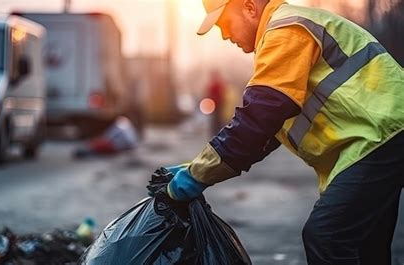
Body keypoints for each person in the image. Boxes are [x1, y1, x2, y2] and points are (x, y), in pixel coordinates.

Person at [165, 0, 404, 264]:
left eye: (224, 23)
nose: (223, 35)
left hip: (382, 136)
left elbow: (258, 120)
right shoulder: (284, 33)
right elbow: (265, 134)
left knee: (327, 237)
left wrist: (197, 175)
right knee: (364, 247)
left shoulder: (286, 29)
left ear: (249, 7)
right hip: (383, 136)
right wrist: (197, 168)